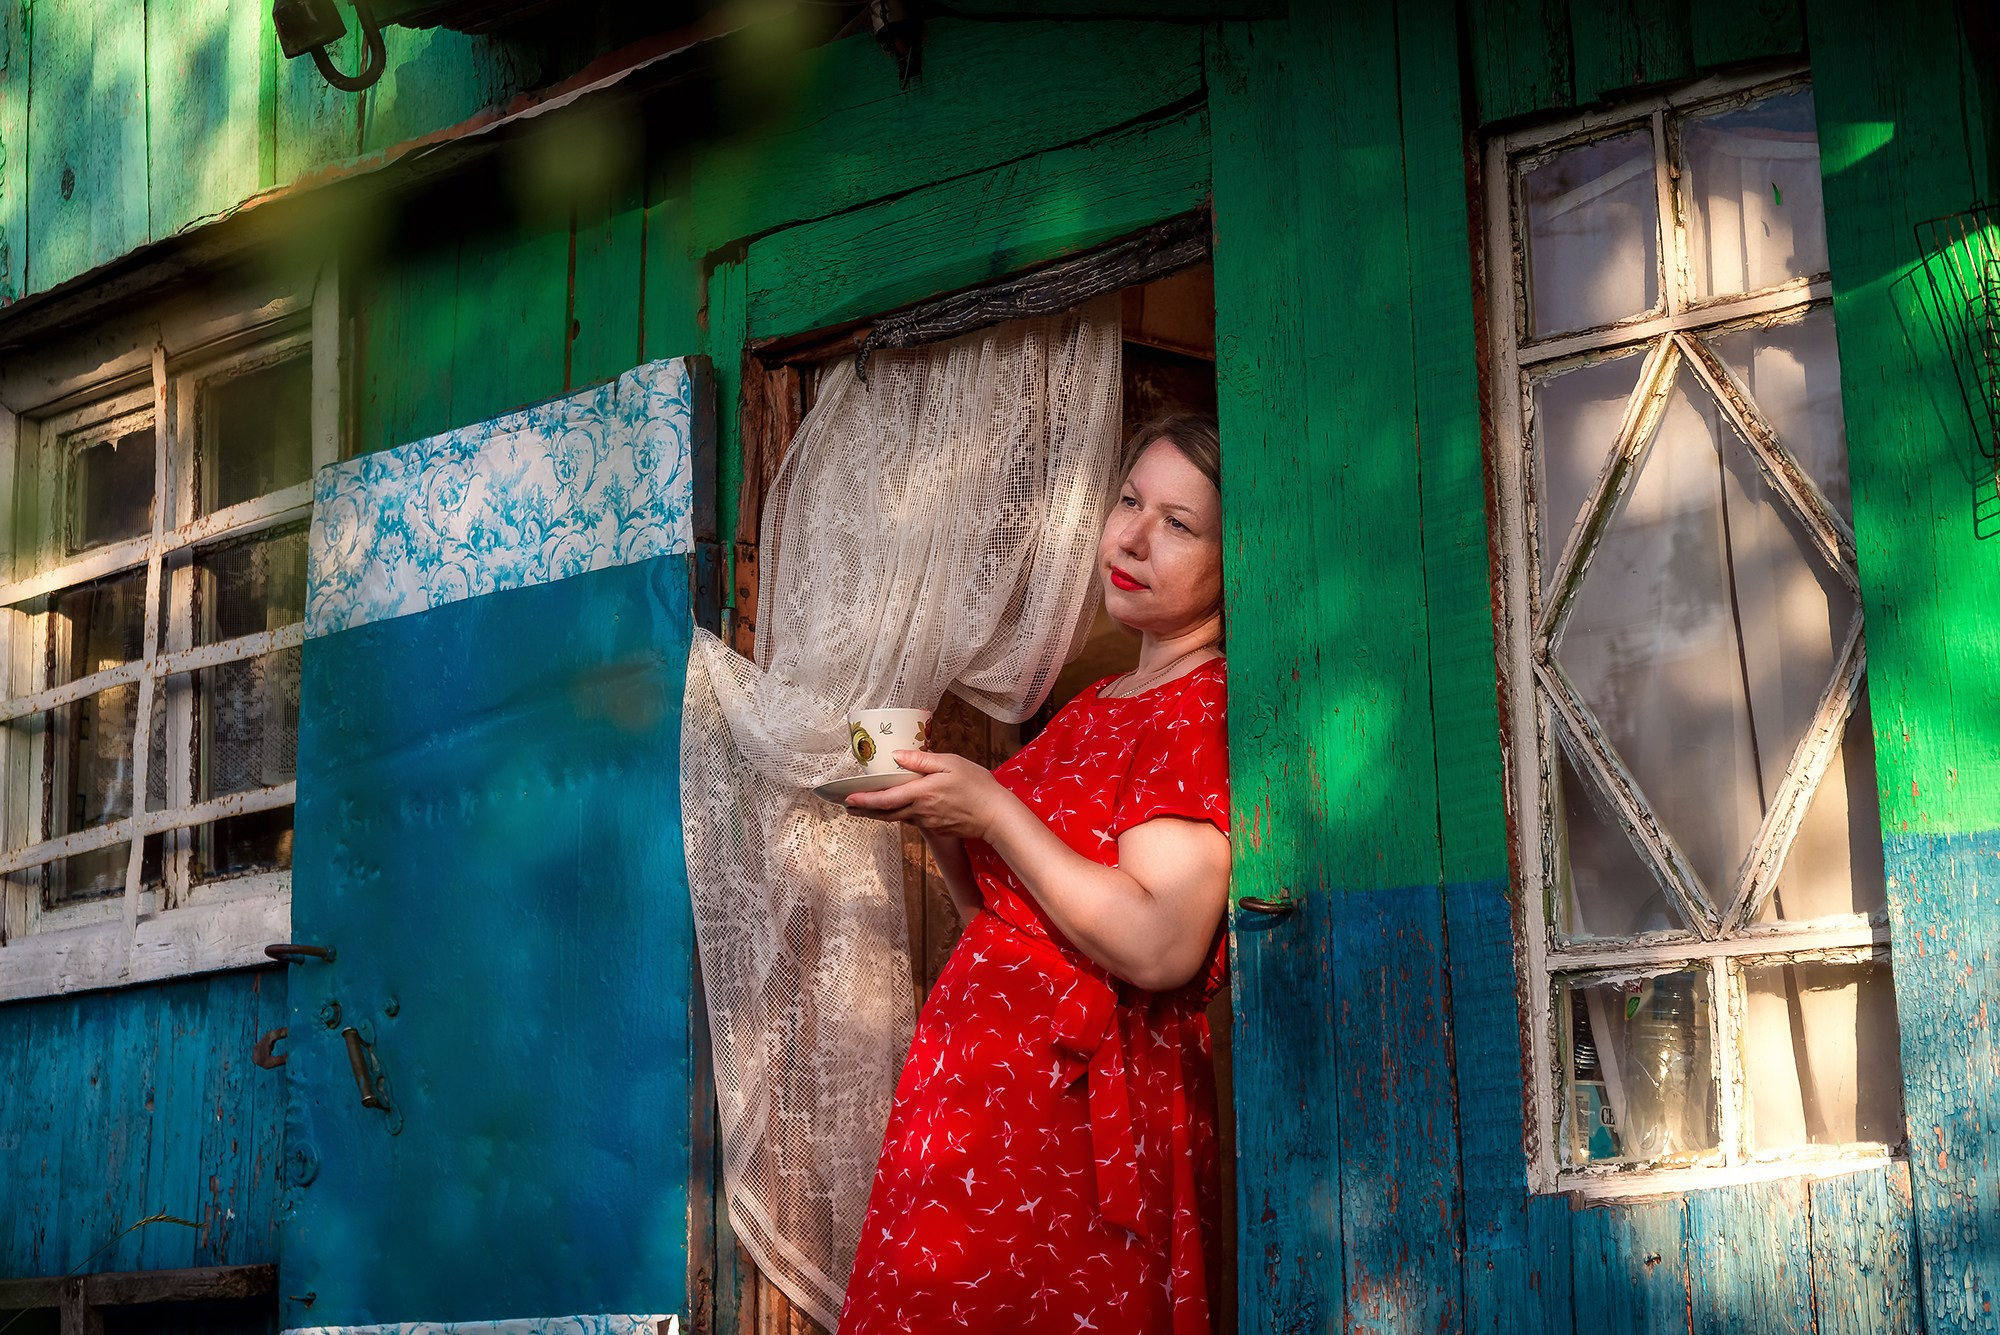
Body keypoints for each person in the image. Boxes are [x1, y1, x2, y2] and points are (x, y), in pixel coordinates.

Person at [837, 412, 1231, 1335]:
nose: (1132, 537)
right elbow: (1003, 915)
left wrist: (994, 809)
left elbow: (1160, 943)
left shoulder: (1197, 704)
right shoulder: (1100, 700)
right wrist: (945, 817)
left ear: (1234, 554)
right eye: (1130, 502)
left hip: (1068, 1126)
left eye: (1178, 523)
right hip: (983, 1109)